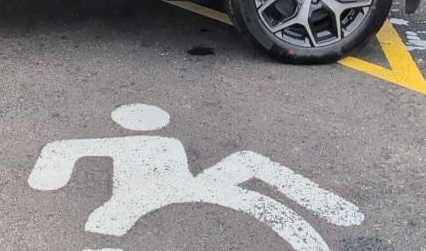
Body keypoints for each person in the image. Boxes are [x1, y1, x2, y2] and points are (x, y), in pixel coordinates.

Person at [28, 103, 363, 251]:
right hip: (185, 187)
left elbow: (67, 151)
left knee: (109, 222)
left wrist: (52, 172)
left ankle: (324, 204)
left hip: (156, 193)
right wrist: (56, 166)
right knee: (245, 163)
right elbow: (71, 151)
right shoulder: (165, 141)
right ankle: (327, 206)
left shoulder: (151, 142)